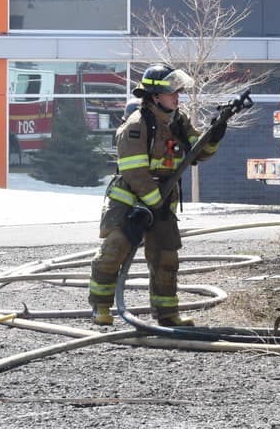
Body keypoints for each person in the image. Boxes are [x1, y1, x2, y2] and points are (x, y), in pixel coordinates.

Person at [88, 64, 226, 327]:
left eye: (179, 92)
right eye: (172, 92)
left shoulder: (178, 120)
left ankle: (167, 315)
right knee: (113, 251)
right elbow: (134, 171)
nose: (178, 96)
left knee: (166, 258)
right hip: (129, 199)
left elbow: (199, 153)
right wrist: (151, 203)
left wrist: (215, 135)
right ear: (154, 96)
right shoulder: (137, 126)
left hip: (161, 198)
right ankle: (100, 308)